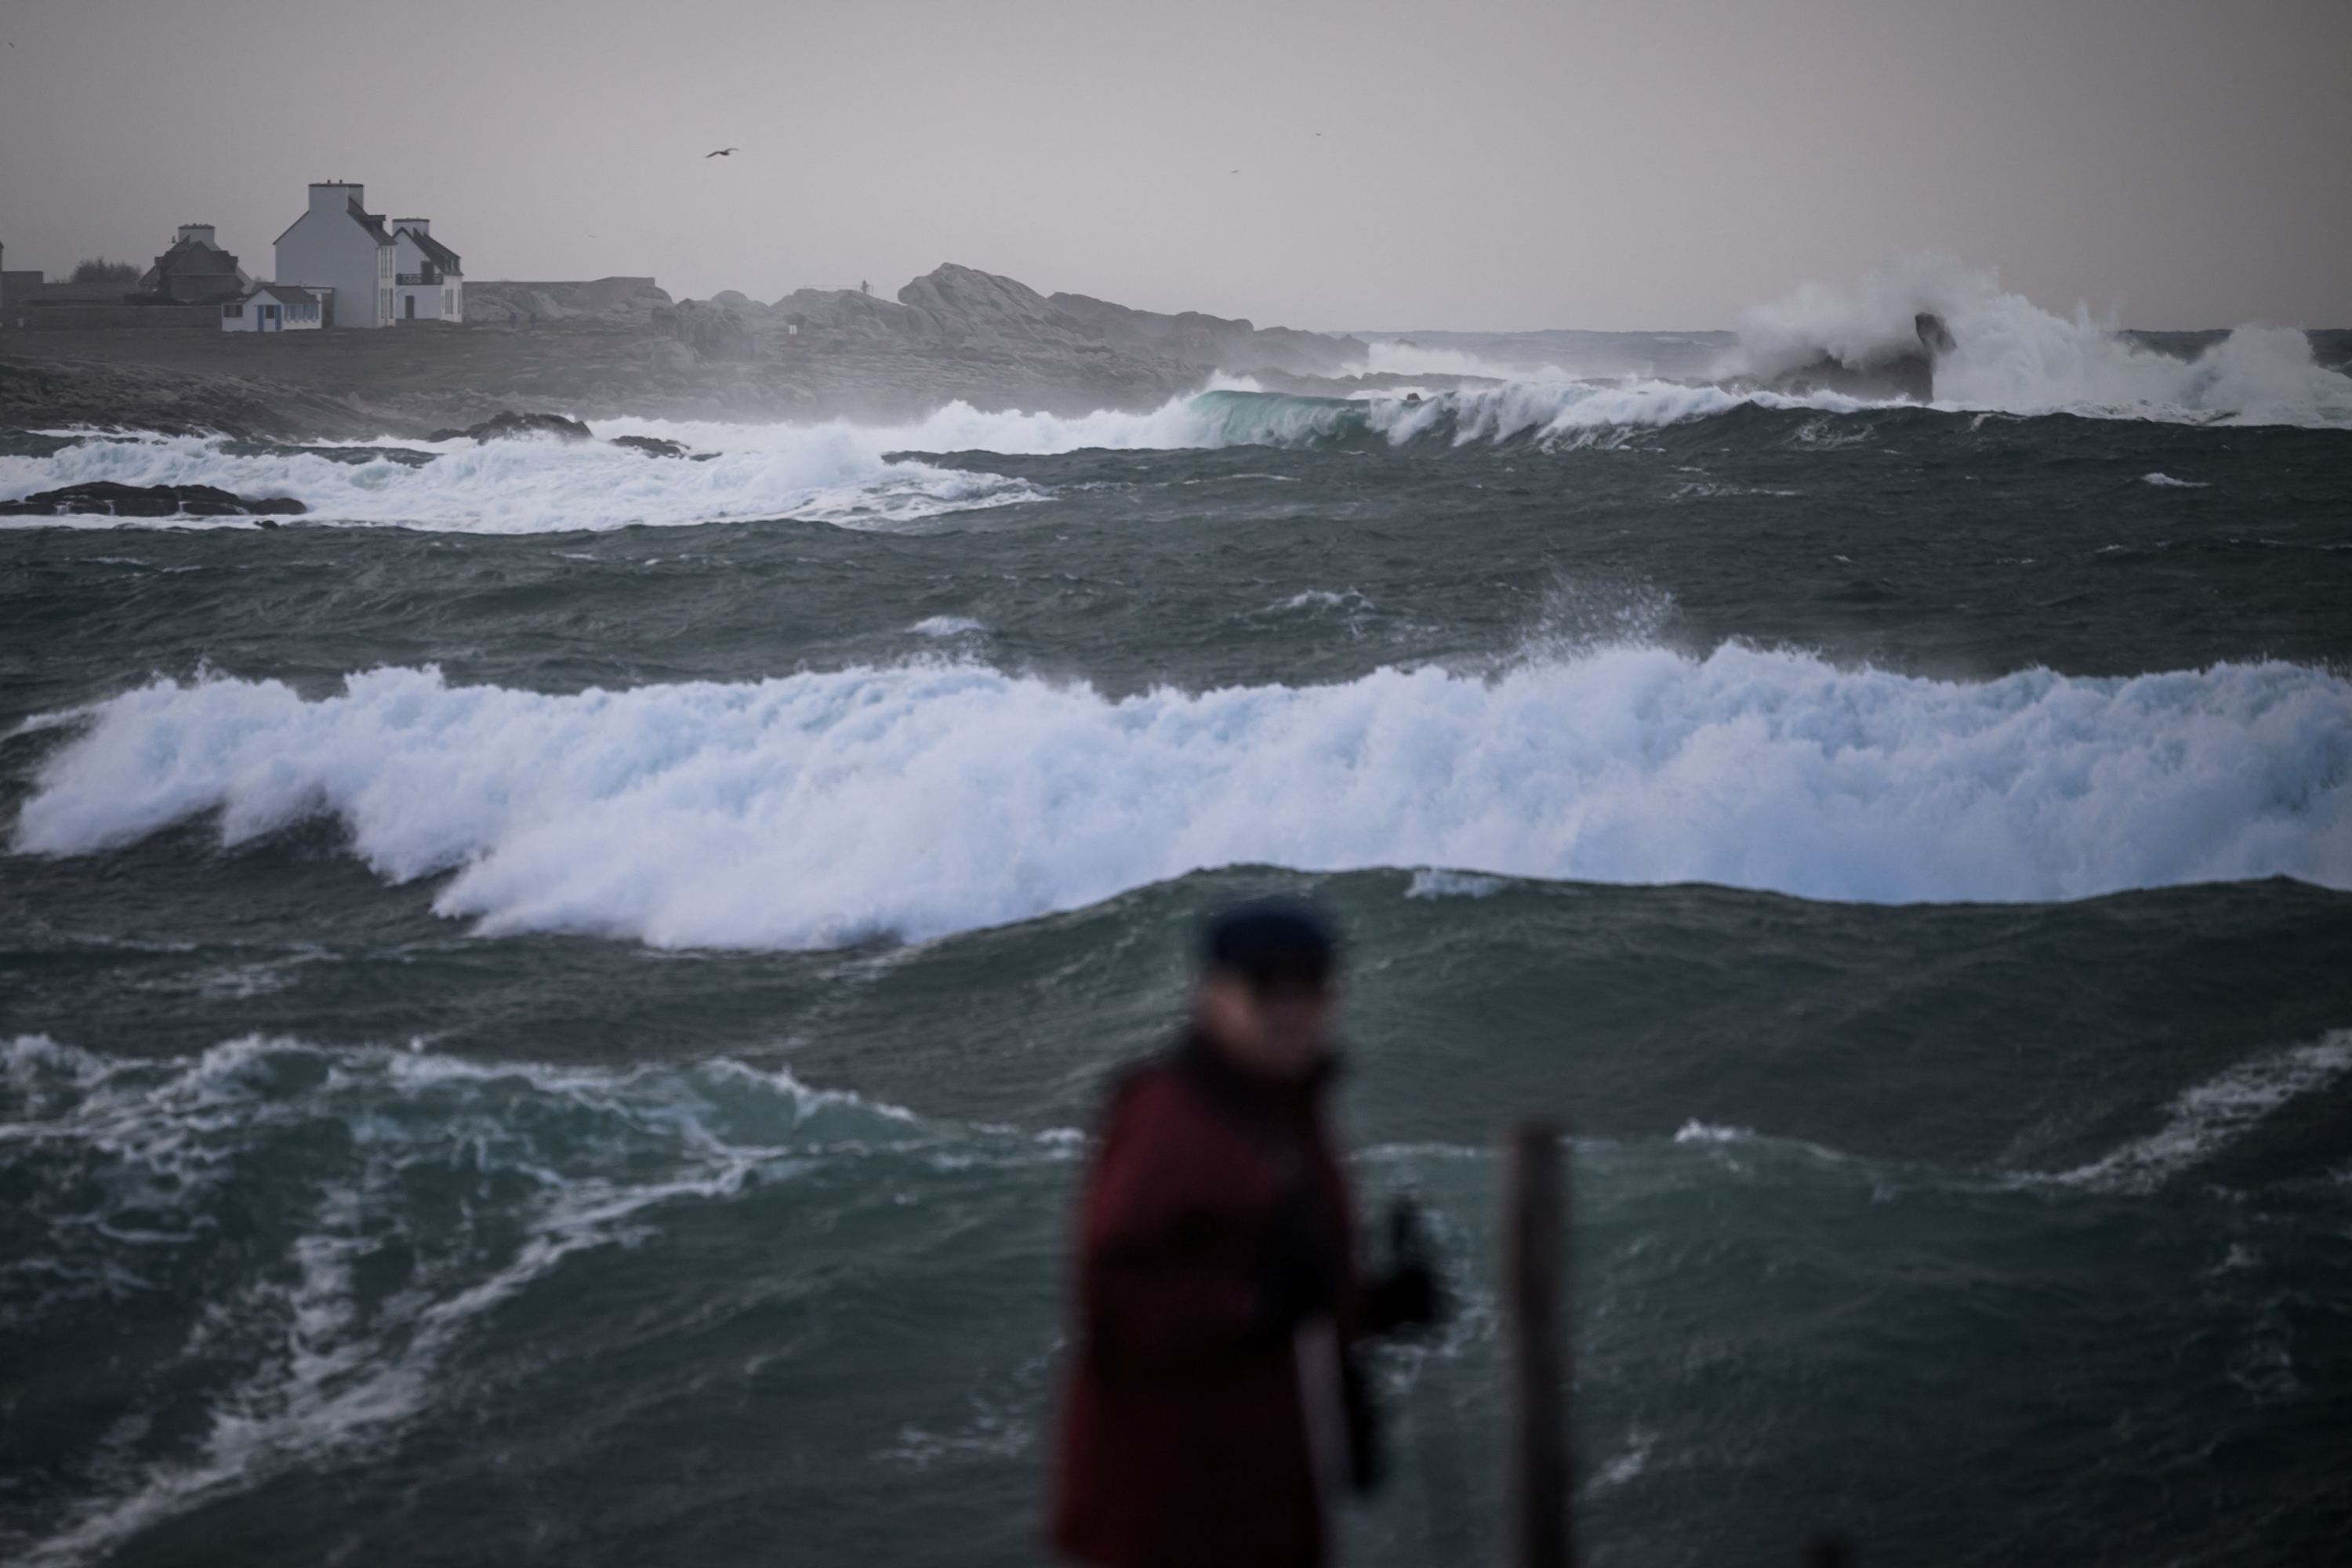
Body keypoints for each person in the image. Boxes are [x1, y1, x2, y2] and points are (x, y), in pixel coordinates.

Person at [1051, 902, 1438, 1568]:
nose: (1291, 1010)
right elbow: (1111, 1297)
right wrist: (1251, 1304)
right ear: (1216, 996)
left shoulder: (1287, 1108)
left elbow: (1293, 1292)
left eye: (1310, 988)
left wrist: (1374, 1306)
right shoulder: (1171, 1117)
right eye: (1266, 988)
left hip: (1268, 1493)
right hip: (1177, 1508)